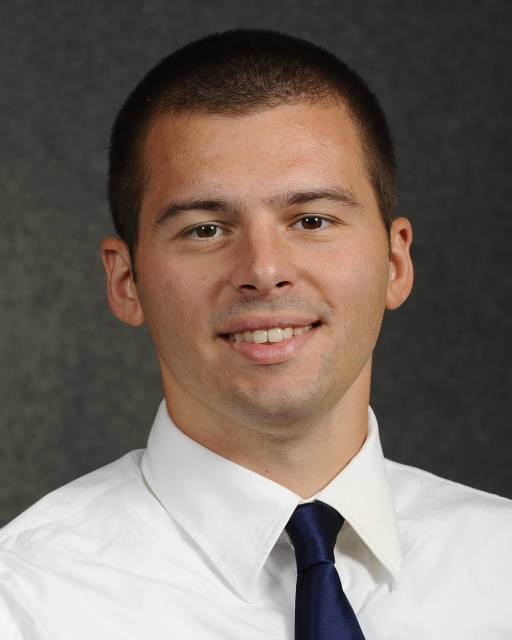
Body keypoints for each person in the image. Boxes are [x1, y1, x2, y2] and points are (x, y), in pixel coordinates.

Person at [1, 29, 510, 640]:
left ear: (396, 262)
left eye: (312, 219)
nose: (264, 271)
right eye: (205, 230)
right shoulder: (24, 603)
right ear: (126, 280)